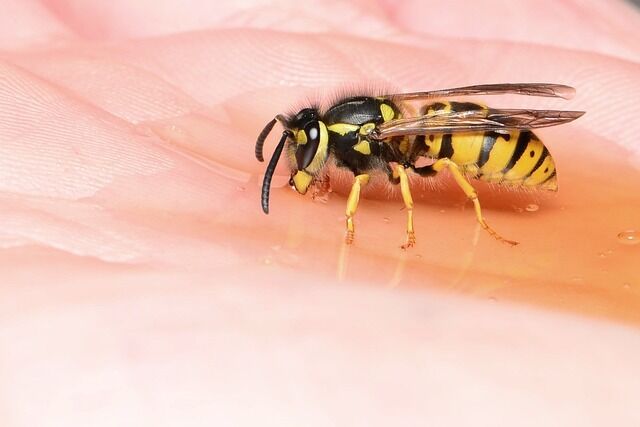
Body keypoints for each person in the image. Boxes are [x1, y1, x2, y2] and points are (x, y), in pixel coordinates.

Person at [1, 0, 639, 424]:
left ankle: (476, 218)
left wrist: (383, 226)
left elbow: (384, 174)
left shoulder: (372, 145)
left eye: (305, 150)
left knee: (439, 162)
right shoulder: (362, 129)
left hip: (498, 151)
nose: (306, 160)